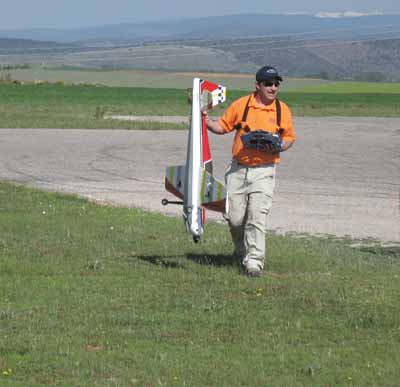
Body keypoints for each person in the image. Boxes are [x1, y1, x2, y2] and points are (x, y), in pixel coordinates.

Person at [204, 66, 296, 277]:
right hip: (238, 170)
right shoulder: (242, 105)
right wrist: (204, 121)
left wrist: (280, 145)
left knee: (257, 217)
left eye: (276, 84)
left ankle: (254, 263)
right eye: (268, 84)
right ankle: (241, 251)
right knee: (234, 219)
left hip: (264, 171)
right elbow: (223, 127)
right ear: (258, 86)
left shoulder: (282, 110)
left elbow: (290, 137)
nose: (273, 88)